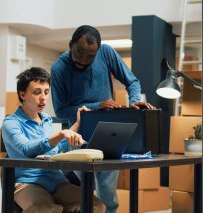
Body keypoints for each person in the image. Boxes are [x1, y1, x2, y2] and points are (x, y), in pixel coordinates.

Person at [51, 25, 154, 213]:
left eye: (90, 56)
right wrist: (95, 106)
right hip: (78, 135)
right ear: (70, 45)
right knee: (83, 191)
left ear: (97, 51)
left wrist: (134, 101)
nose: (84, 60)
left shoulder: (106, 53)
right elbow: (60, 110)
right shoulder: (59, 68)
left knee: (107, 193)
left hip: (109, 132)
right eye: (79, 52)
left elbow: (132, 81)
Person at [2, 67, 105, 213]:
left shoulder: (46, 120)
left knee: (96, 205)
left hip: (56, 181)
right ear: (23, 95)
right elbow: (27, 150)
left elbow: (55, 148)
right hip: (28, 183)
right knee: (43, 209)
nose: (43, 97)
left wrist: (77, 124)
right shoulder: (11, 123)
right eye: (37, 92)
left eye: (46, 92)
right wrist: (60, 135)